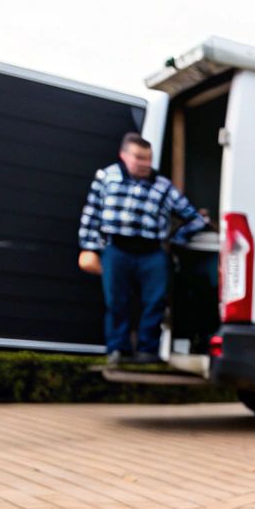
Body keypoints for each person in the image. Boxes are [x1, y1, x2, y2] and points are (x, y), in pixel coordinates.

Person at [76, 133, 208, 364]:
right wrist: (88, 247)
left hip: (152, 253)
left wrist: (176, 239)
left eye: (148, 159)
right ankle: (118, 349)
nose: (145, 164)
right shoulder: (107, 177)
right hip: (116, 249)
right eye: (139, 158)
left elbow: (195, 218)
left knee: (155, 302)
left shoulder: (163, 186)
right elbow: (91, 213)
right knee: (117, 301)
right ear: (124, 155)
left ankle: (148, 351)